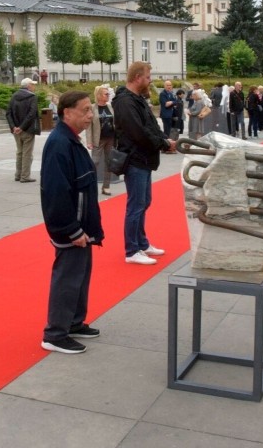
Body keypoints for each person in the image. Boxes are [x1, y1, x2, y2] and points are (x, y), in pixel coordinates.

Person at [40, 90, 103, 354]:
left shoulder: (71, 140)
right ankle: (55, 333)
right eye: (85, 110)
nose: (90, 115)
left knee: (80, 275)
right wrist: (71, 229)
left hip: (82, 225)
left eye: (91, 110)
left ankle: (74, 322)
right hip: (71, 227)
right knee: (68, 278)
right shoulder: (59, 143)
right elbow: (55, 193)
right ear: (67, 113)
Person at [112, 61, 175, 265]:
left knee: (143, 202)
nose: (150, 81)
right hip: (135, 159)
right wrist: (163, 143)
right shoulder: (125, 101)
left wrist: (165, 140)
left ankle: (141, 242)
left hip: (144, 159)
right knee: (136, 205)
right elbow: (138, 132)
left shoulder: (136, 99)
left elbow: (151, 125)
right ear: (138, 77)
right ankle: (132, 250)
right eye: (148, 77)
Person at [6, 77, 41, 182]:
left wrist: (14, 127)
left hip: (16, 130)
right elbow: (31, 114)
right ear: (28, 86)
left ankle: (18, 174)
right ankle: (25, 176)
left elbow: (8, 113)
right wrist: (22, 127)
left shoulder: (14, 96)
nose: (34, 86)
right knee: (27, 153)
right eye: (33, 84)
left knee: (20, 152)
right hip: (28, 130)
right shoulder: (32, 97)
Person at [86, 85, 115, 195]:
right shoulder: (92, 108)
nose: (108, 95)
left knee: (109, 162)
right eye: (105, 94)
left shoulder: (110, 106)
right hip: (98, 139)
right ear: (98, 96)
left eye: (108, 94)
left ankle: (106, 186)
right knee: (95, 162)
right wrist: (89, 141)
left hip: (110, 138)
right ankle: (91, 186)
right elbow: (89, 126)